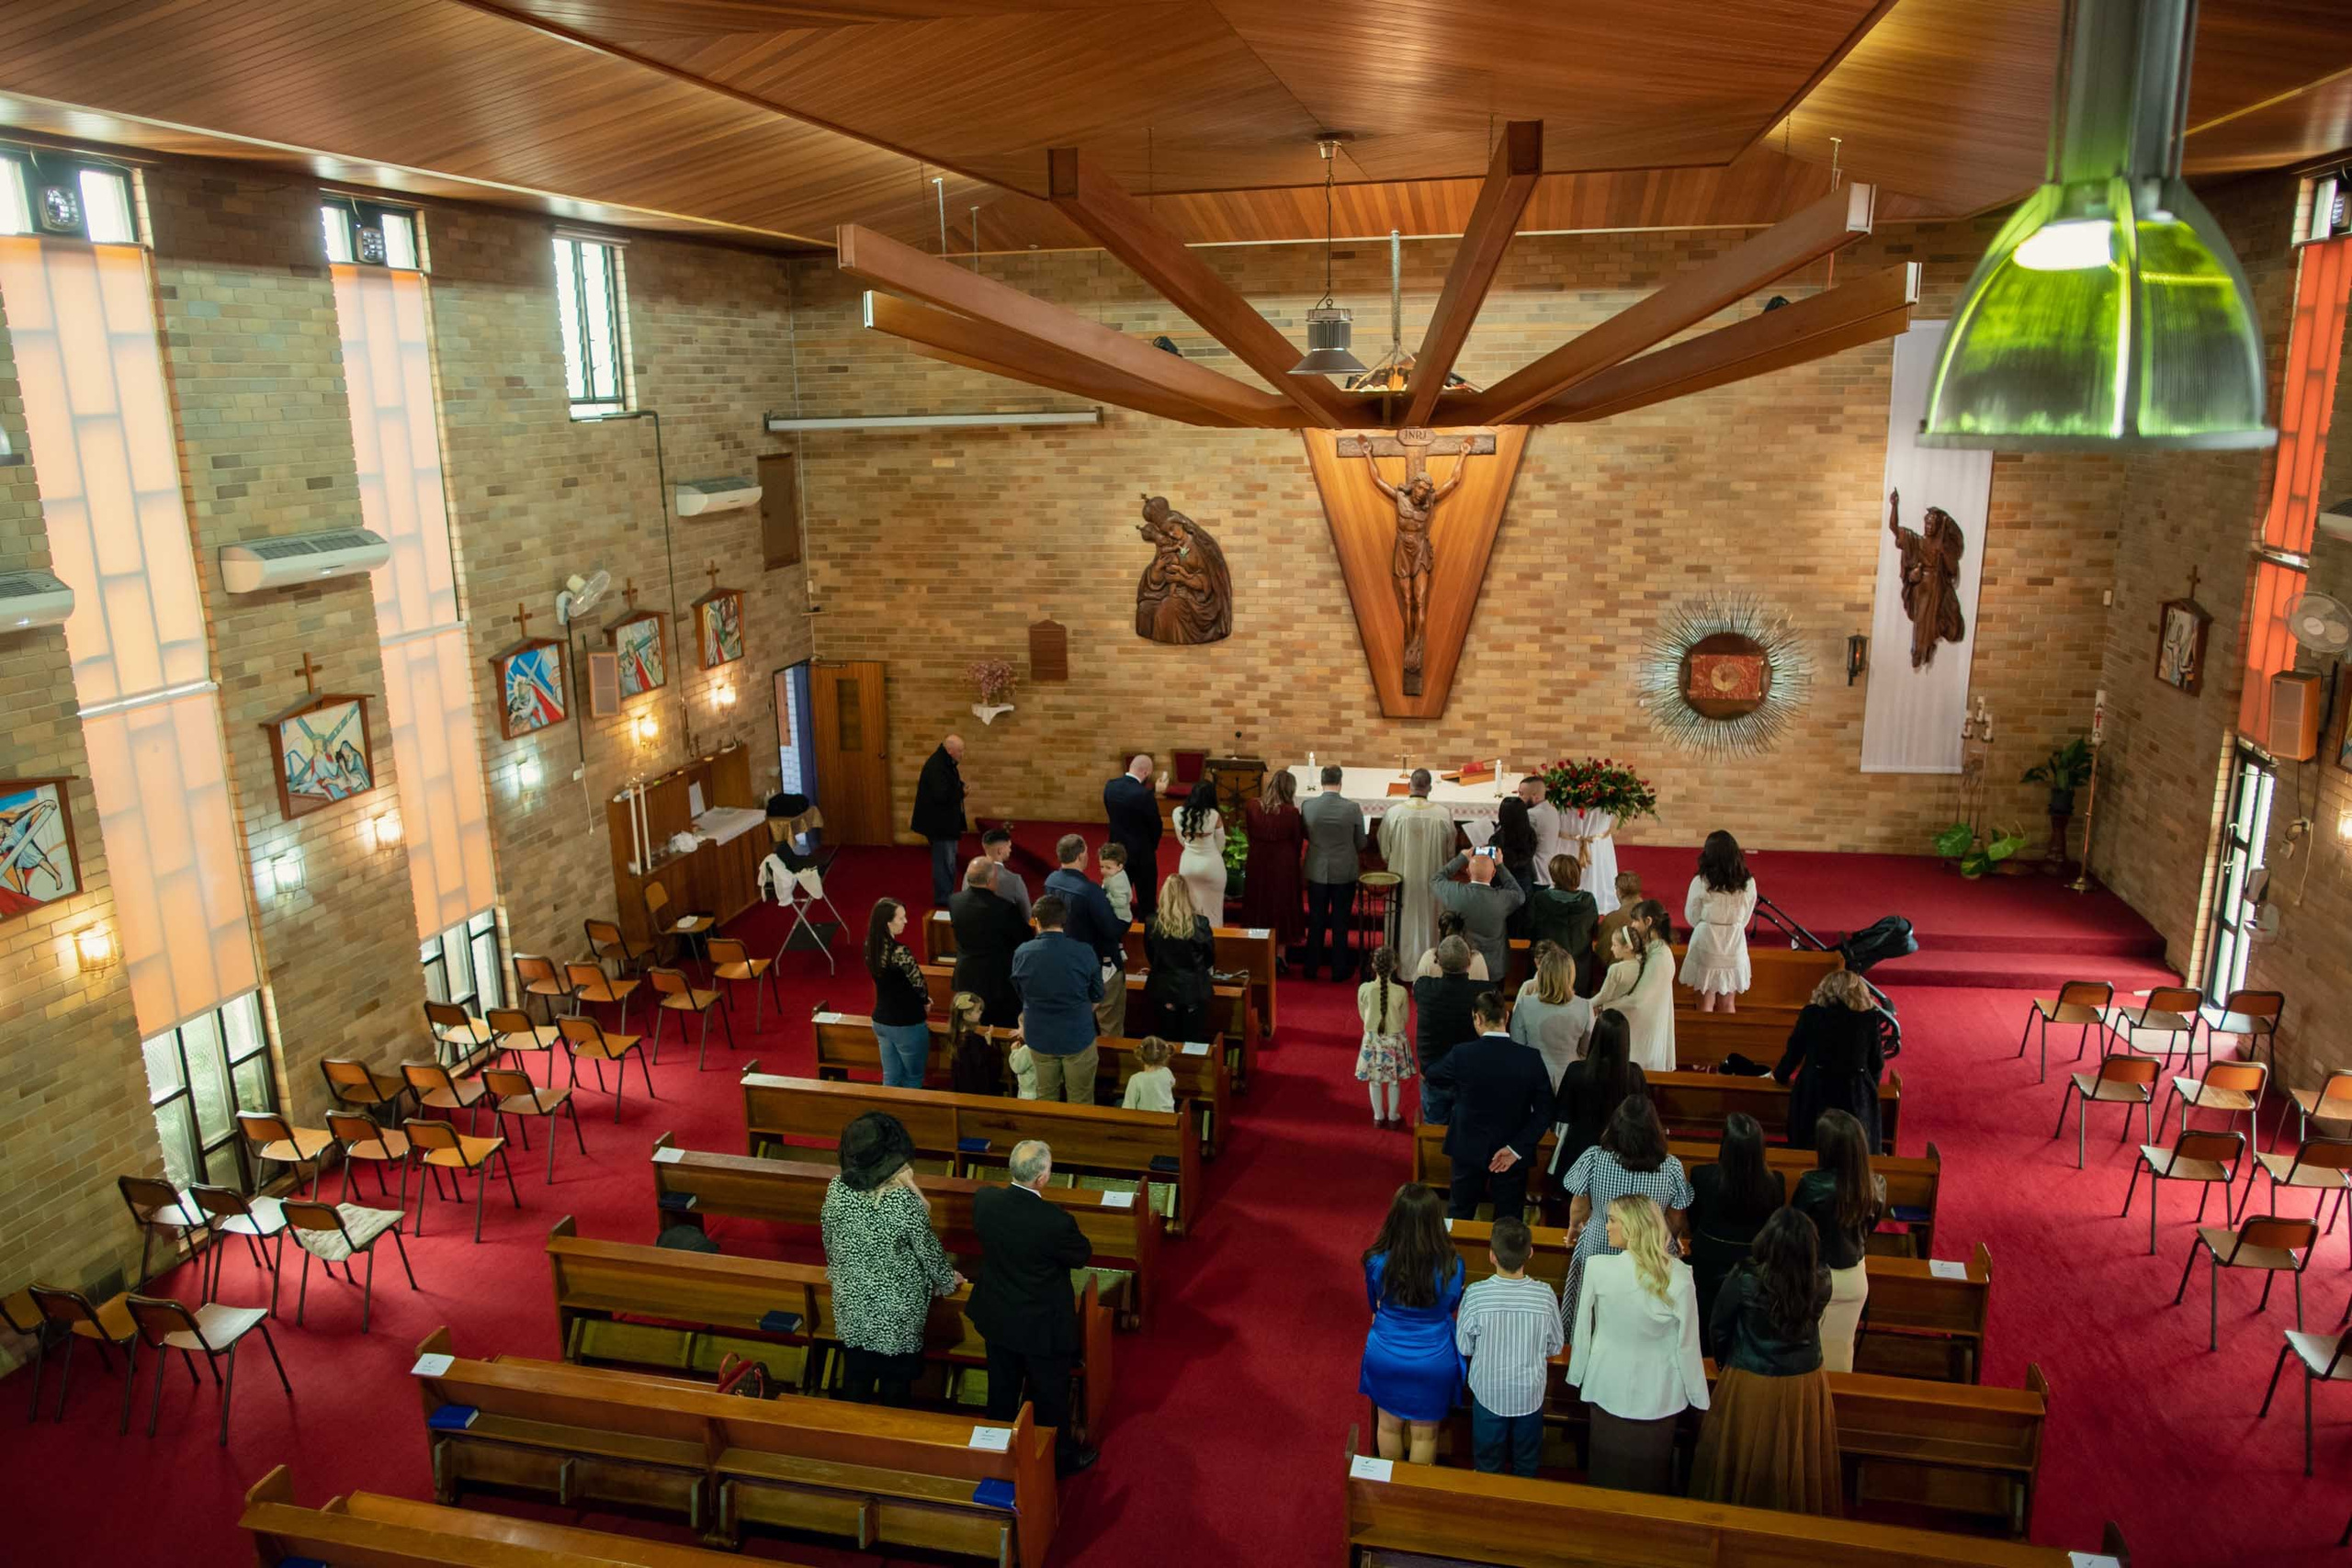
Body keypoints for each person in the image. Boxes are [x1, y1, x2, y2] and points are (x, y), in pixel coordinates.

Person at [1690, 1207, 1841, 1516]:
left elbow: (1719, 1326)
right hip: (1804, 1381)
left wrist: (1724, 1364)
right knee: (1795, 1457)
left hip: (1750, 1376)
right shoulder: (1822, 1279)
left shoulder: (1745, 1277)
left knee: (1742, 1455)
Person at [969, 1139, 1098, 1473]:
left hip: (997, 1315)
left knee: (1001, 1391)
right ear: (1041, 1179)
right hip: (1041, 1324)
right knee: (1050, 1397)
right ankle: (1059, 1462)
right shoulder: (1054, 1221)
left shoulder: (985, 1201)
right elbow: (1082, 1255)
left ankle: (996, 1457)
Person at [1565, 1194, 1707, 1494]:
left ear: (1633, 1227)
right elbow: (1688, 1346)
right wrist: (1698, 1398)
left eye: (1613, 1220)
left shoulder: (1598, 1267)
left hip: (1606, 1383)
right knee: (1648, 1480)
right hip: (1660, 1392)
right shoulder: (1680, 1276)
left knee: (1607, 1474)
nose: (1607, 1226)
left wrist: (1577, 1374)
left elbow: (1582, 1330)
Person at [820, 1111, 964, 1404]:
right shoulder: (902, 1200)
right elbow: (931, 1254)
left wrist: (843, 1272)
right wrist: (949, 1282)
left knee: (856, 1375)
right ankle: (891, 1444)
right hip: (896, 1311)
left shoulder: (837, 1189)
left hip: (853, 1299)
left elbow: (829, 1240)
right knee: (895, 1384)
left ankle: (850, 1442)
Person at [1559, 1097, 1692, 1330]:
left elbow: (1579, 1205)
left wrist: (1573, 1229)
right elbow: (1676, 1216)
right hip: (1651, 1249)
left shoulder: (1595, 1158)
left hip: (1601, 1238)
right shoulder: (1671, 1166)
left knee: (1593, 1311)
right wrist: (1673, 1238)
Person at [1358, 1182, 1465, 1465]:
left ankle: (1390, 1494)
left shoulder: (1377, 1261)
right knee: (1425, 1437)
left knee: (1387, 1426)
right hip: (1433, 1358)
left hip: (1387, 1353)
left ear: (1395, 1218)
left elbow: (1374, 1303)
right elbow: (1452, 1305)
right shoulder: (1453, 1264)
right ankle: (1412, 1498)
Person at [1421, 989, 1553, 1222]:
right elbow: (1544, 1112)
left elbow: (1432, 1074)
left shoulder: (1462, 1055)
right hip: (1512, 1154)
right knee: (1509, 1220)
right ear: (1507, 1016)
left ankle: (1457, 1257)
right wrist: (1515, 1149)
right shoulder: (1530, 1058)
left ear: (1478, 1018)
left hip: (1467, 1148)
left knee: (1460, 1213)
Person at [1454, 1215, 1562, 1477]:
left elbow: (1464, 1346)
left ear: (1492, 1256)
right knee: (1527, 1462)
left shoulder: (1476, 1294)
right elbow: (1555, 1345)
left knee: (1487, 1462)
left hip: (1489, 1390)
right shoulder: (1545, 1294)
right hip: (1530, 1393)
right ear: (1531, 1254)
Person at [1685, 1113, 1784, 1357]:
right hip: (1754, 1269)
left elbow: (1694, 1221)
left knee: (1706, 1327)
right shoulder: (1775, 1183)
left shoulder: (1703, 1177)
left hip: (1709, 1265)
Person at [1793, 1108, 1881, 1372]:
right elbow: (1869, 1228)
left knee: (1810, 1358)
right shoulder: (1875, 1185)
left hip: (1818, 1278)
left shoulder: (1811, 1185)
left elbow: (1797, 1228)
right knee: (1842, 1352)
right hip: (1855, 1278)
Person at [1775, 970, 1889, 1151]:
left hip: (1815, 1093)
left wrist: (1780, 1076)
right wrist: (1868, 1089)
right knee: (1853, 1150)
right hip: (1855, 1095)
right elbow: (1876, 1063)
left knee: (1810, 1146)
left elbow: (1794, 1053)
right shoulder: (1869, 1018)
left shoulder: (1812, 1014)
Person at [1011, 895, 1103, 1105]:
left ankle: (1046, 1138)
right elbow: (1097, 996)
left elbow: (1021, 993)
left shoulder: (1023, 953)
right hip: (1077, 1034)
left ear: (1036, 920)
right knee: (1080, 1099)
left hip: (1040, 1036)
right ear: (1064, 920)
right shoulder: (1083, 952)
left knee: (1045, 1097)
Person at [1549, 1008, 1647, 1182]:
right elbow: (1641, 1116)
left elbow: (1562, 1114)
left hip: (1578, 1154)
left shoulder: (1576, 1070)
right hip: (1620, 1155)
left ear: (1597, 1035)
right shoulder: (1634, 1074)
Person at [1045, 833, 1126, 1042]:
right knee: (1110, 1023)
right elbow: (1111, 929)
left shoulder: (1051, 881)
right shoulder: (1089, 891)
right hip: (1097, 966)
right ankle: (1108, 1071)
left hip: (1065, 963)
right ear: (1081, 856)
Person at [1377, 770, 1455, 974]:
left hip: (1402, 880)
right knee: (1431, 921)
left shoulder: (1394, 813)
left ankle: (1399, 968)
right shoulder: (1443, 814)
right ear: (1429, 788)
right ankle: (1430, 969)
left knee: (1401, 921)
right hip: (1432, 882)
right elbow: (1449, 853)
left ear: (1409, 786)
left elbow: (1385, 850)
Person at [1591, 899, 1676, 1073]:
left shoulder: (1660, 956)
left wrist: (1605, 1006)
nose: (1632, 925)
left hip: (1646, 1032)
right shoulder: (1653, 949)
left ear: (1648, 922)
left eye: (1635, 921)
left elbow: (1639, 1001)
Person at [1301, 763, 1366, 982]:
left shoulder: (1308, 806)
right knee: (1341, 921)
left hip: (1317, 869)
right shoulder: (1352, 808)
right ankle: (1339, 969)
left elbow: (1306, 834)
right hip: (1344, 870)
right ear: (1340, 781)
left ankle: (1311, 968)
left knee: (1316, 920)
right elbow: (1361, 842)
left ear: (1321, 781)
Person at [1411, 936, 1485, 1128]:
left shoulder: (1424, 988)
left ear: (1438, 961)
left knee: (1434, 1129)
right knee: (1468, 1129)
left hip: (1434, 1075)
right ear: (1469, 963)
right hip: (1468, 1076)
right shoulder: (1483, 994)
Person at [1681, 830, 1758, 1012]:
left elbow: (1692, 916)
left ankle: (1704, 1040)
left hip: (1707, 942)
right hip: (1733, 943)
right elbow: (1746, 917)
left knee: (1704, 1005)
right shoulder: (1748, 883)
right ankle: (1727, 1040)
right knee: (1728, 1004)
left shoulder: (1701, 881)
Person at [950, 859, 1029, 1027]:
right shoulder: (1004, 908)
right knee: (1001, 1027)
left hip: (966, 976)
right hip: (997, 982)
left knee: (969, 1028)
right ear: (990, 880)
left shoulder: (954, 902)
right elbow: (1024, 938)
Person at [1142, 874, 1218, 1044]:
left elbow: (1151, 955)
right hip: (1194, 990)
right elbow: (1209, 957)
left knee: (1165, 1042)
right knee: (1192, 1042)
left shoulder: (1152, 923)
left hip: (1163, 989)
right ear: (1187, 896)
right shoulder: (1200, 923)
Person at [865, 897, 933, 1089]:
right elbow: (919, 984)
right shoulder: (900, 952)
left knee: (891, 1078)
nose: (906, 921)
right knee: (913, 1077)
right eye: (901, 918)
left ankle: (887, 1116)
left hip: (881, 1020)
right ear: (888, 923)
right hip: (905, 1022)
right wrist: (925, 1001)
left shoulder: (870, 947)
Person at [1430, 849, 1521, 986]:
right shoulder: (1502, 899)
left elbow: (1435, 879)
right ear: (1493, 873)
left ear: (1467, 872)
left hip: (1462, 965)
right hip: (1494, 969)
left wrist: (1461, 857)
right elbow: (1519, 894)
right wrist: (1501, 865)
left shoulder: (1455, 893)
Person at [1510, 942, 1591, 1091]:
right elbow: (1585, 1051)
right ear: (1570, 974)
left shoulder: (1525, 1005)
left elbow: (1517, 1047)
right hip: (1570, 1080)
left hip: (1532, 1079)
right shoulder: (1585, 1007)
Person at [1242, 768, 1306, 959]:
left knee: (1258, 903)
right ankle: (1280, 956)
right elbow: (1297, 840)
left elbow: (1250, 833)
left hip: (1258, 861)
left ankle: (1258, 954)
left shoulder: (1252, 806)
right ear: (1289, 790)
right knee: (1281, 907)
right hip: (1283, 864)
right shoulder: (1291, 812)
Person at [1355, 945, 1414, 1128]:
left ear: (1373, 965)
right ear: (1395, 966)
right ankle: (1393, 1115)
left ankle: (1378, 1115)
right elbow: (1404, 1019)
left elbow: (1362, 1014)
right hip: (1394, 1040)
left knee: (1375, 1079)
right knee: (1394, 1080)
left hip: (1373, 1039)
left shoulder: (1364, 989)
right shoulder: (1401, 992)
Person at [1102, 754, 1166, 923]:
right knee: (1146, 901)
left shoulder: (1110, 786)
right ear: (1146, 772)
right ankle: (1144, 936)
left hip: (1116, 852)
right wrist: (1150, 846)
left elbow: (1111, 813)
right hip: (1141, 855)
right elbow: (1156, 826)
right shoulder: (1144, 795)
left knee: (1117, 897)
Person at [1525, 853, 1600, 994]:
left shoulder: (1540, 899)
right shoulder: (1588, 901)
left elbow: (1529, 929)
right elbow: (1595, 930)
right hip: (1579, 972)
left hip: (1546, 970)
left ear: (1553, 876)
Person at [911, 735, 967, 907]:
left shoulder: (944, 762)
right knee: (944, 862)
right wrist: (961, 793)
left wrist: (960, 786)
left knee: (948, 861)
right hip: (940, 825)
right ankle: (944, 898)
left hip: (943, 823)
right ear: (950, 750)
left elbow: (948, 784)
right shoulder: (937, 766)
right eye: (960, 750)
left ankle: (947, 893)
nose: (962, 754)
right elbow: (941, 795)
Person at [1173, 779, 1227, 922]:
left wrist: (1192, 848)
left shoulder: (1178, 813)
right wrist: (1214, 854)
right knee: (1214, 909)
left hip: (1188, 864)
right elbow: (1221, 843)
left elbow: (1181, 840)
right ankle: (1214, 938)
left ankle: (1191, 940)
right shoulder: (1214, 815)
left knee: (1189, 907)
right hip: (1211, 865)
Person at [1491, 796, 1541, 941]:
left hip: (1501, 881)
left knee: (1504, 919)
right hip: (1524, 879)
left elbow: (1496, 857)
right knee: (1521, 918)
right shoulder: (1530, 834)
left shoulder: (1499, 837)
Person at [946, 991, 1002, 1096]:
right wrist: (989, 1043)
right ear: (966, 1015)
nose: (981, 1012)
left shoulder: (956, 1034)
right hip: (975, 1088)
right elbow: (982, 1061)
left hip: (961, 1086)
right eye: (977, 1011)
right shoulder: (974, 1039)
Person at [1411, 909, 1491, 980]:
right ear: (1463, 932)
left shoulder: (1428, 957)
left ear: (1439, 932)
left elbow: (1417, 989)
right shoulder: (1478, 959)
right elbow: (1485, 993)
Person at [1593, 871, 1643, 980]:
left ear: (1619, 892)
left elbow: (1602, 956)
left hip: (1620, 981)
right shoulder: (1654, 914)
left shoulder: (1613, 920)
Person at [1516, 776, 1563, 887]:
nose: (1518, 798)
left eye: (1521, 794)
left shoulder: (1532, 815)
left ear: (1535, 797)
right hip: (1547, 869)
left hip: (1535, 872)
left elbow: (1518, 840)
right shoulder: (1553, 810)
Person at [982, 828, 1032, 919]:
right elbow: (1027, 916)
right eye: (1009, 847)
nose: (1010, 850)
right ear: (1000, 850)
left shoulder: (968, 876)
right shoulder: (1014, 880)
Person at [1121, 1034, 1177, 1112]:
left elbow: (1128, 1108)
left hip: (1146, 1121)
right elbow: (1173, 1084)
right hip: (1169, 1120)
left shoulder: (1136, 1079)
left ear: (1141, 1055)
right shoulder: (1166, 1072)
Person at [1098, 841, 1135, 925]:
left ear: (1120, 867)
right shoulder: (1115, 873)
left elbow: (1121, 902)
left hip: (1119, 919)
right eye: (1101, 867)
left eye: (1108, 868)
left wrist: (1108, 896)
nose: (1103, 871)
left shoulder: (1117, 883)